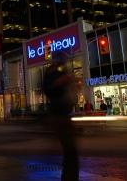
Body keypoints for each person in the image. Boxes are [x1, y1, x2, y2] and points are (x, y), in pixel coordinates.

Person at [43, 52, 79, 181]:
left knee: (70, 150)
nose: (63, 62)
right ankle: (70, 176)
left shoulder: (61, 70)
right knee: (70, 150)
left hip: (64, 113)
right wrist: (59, 82)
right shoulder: (52, 71)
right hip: (59, 113)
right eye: (62, 60)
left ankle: (70, 175)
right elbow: (48, 89)